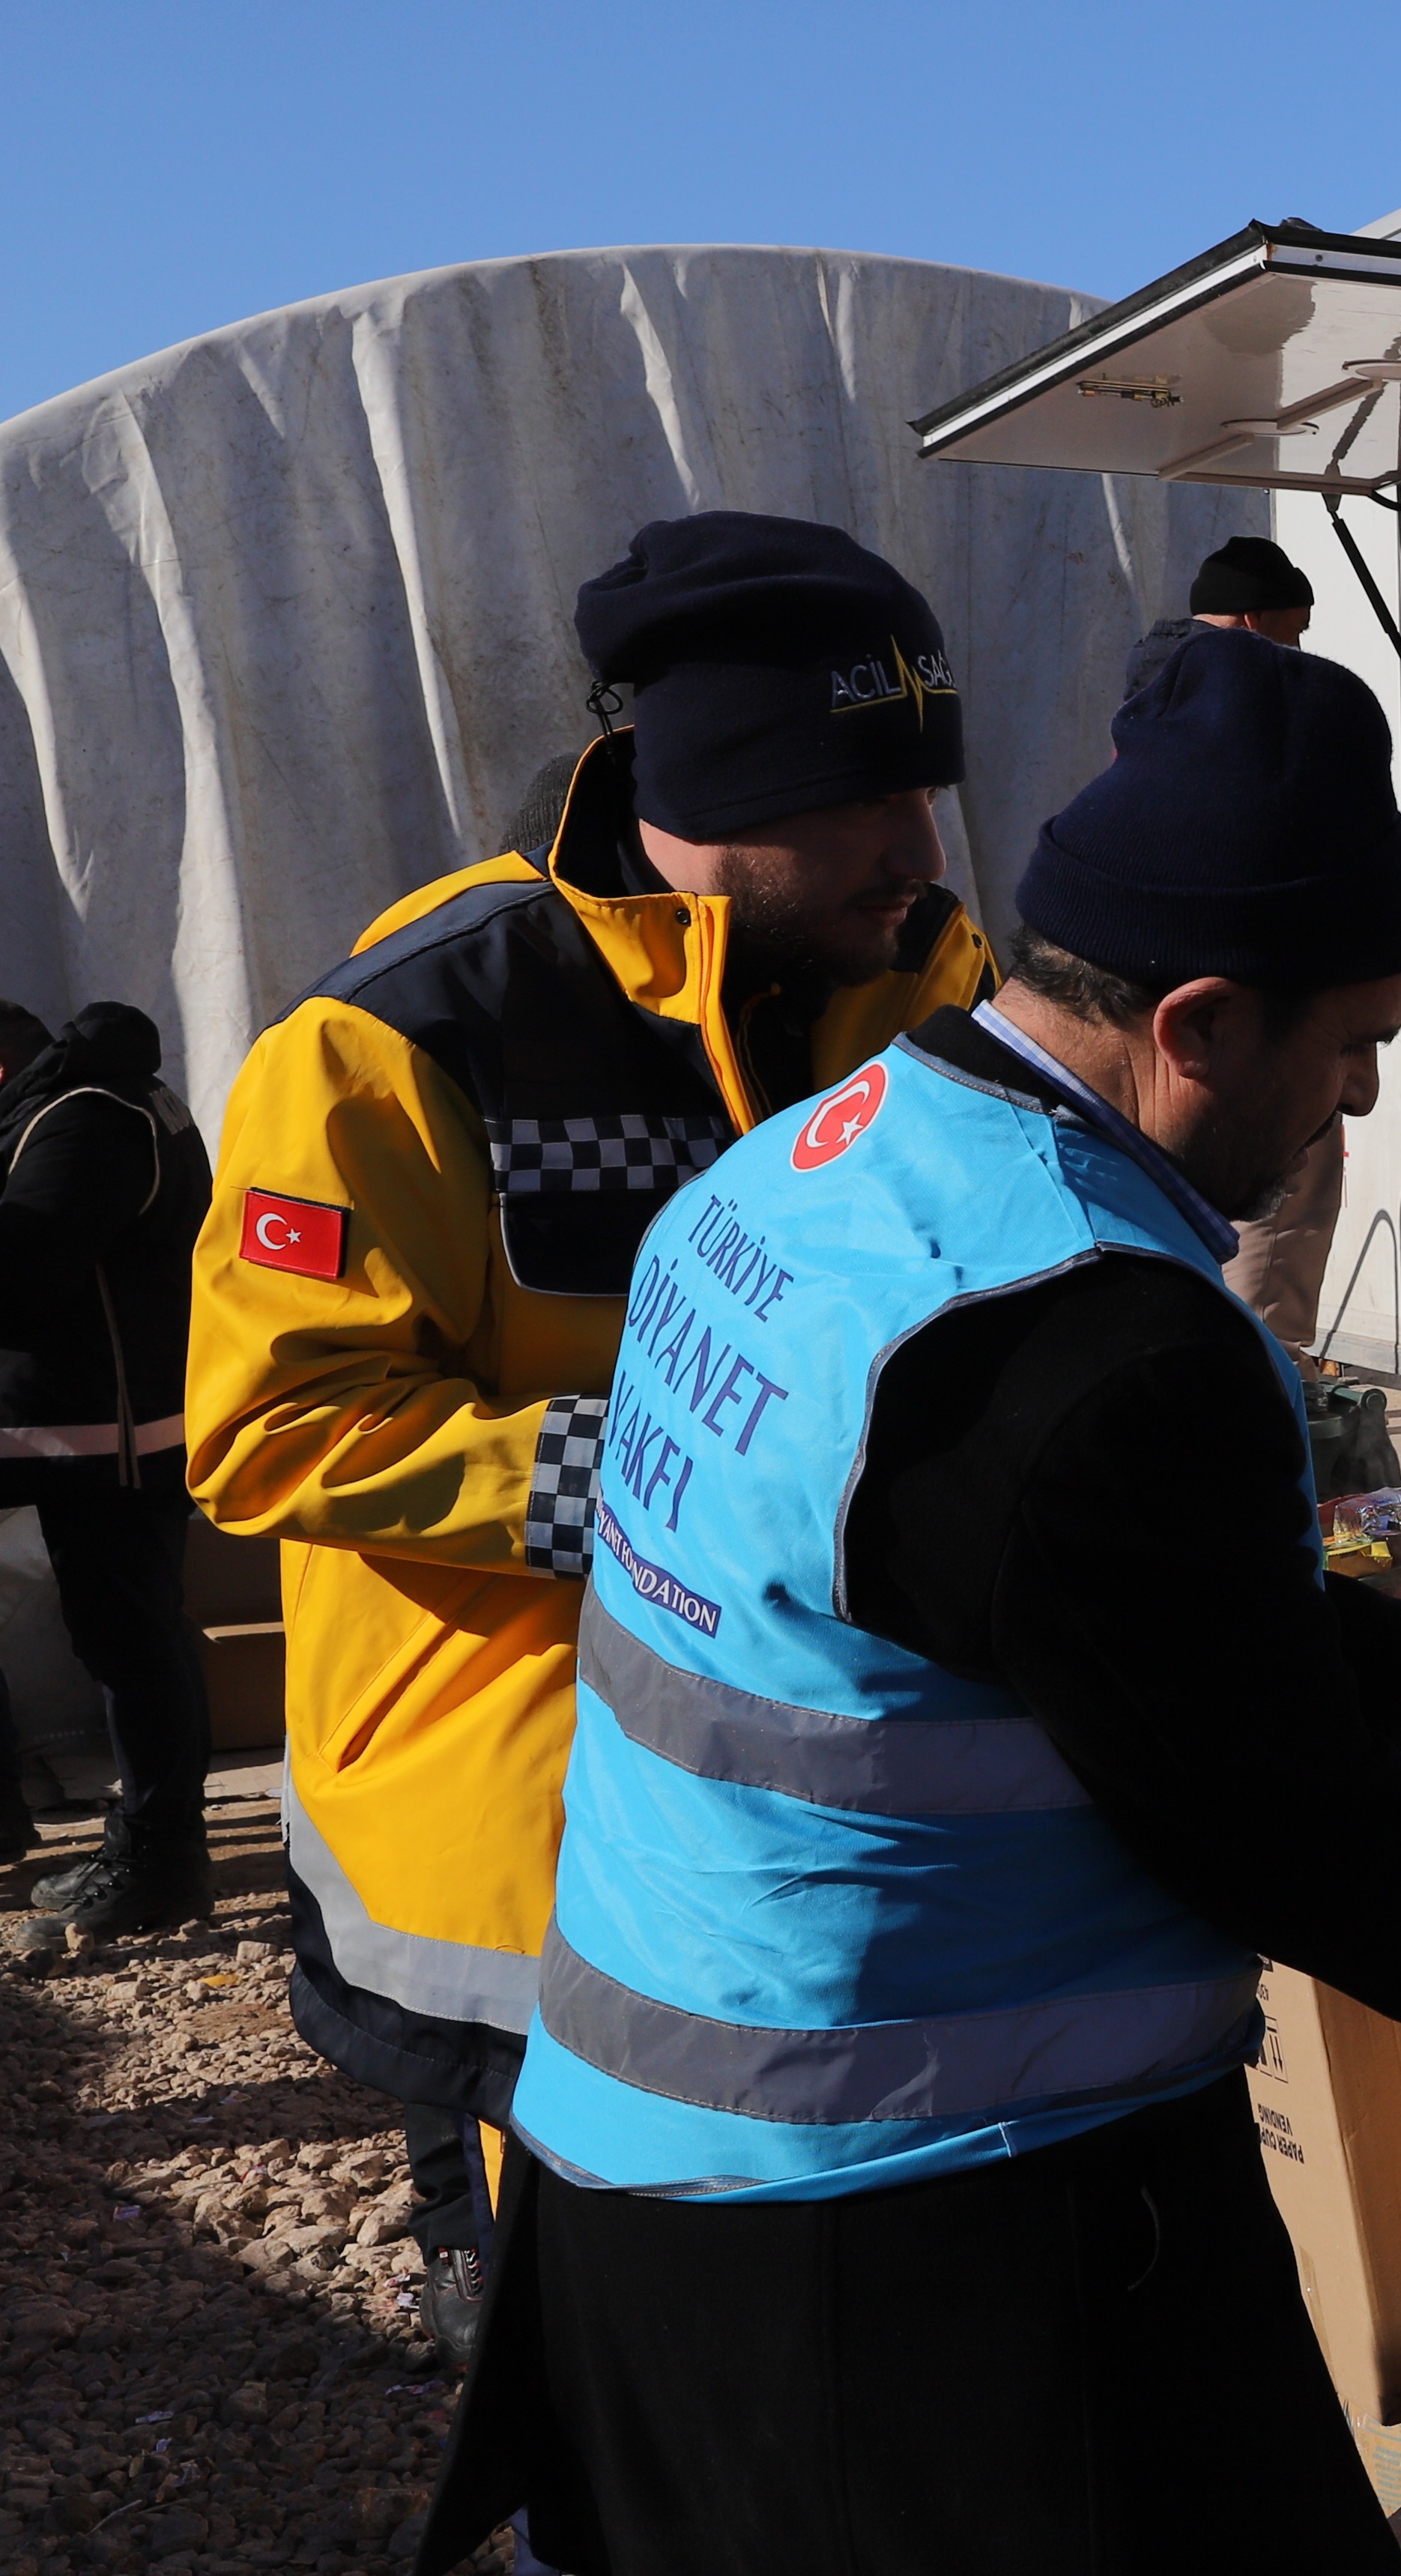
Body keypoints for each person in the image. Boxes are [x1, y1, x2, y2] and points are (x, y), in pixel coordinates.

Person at [424, 631, 1401, 2576]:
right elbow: (1273, 1828)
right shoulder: (1104, 1343)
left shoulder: (811, 1172)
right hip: (911, 2256)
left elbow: (1031, 1600)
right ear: (1197, 1026)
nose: (1355, 1108)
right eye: (1353, 1046)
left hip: (647, 2192)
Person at [186, 511, 999, 2362]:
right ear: (710, 794)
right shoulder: (397, 1038)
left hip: (810, 1801)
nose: (924, 847)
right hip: (518, 1844)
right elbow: (269, 1428)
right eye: (869, 799)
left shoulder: (919, 974)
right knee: (590, 2360)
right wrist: (665, 1478)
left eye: (930, 788)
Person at [0, 999, 217, 1928]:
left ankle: (160, 1860)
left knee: (131, 1643)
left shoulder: (88, 1118)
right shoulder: (99, 1102)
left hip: (110, 1433)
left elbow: (17, 1274)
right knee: (129, 1638)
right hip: (69, 1423)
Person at [1119, 531, 1337, 1351]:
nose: (1297, 652)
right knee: (1281, 1190)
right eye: (1293, 631)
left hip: (1159, 987)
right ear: (1251, 619)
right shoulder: (1249, 693)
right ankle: (1269, 1389)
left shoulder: (1148, 686)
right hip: (1251, 978)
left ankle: (1201, 1371)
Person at [1120, 528, 1317, 704]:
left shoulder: (1152, 663)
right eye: (1296, 630)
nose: (1296, 648)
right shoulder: (1236, 684)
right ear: (1254, 618)